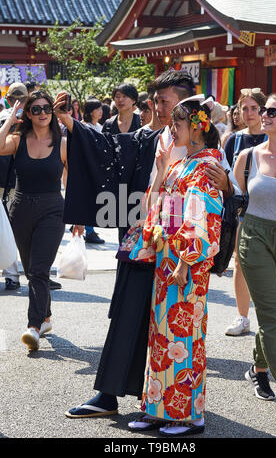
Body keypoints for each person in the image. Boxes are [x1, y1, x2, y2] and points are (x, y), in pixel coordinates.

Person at [54, 70, 238, 419]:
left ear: (188, 104)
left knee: (171, 329)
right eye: (156, 101)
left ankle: (167, 404)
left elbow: (222, 196)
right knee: (128, 316)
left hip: (177, 244)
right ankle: (111, 395)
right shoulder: (148, 137)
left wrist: (227, 187)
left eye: (165, 102)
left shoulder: (204, 149)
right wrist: (71, 123)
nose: (158, 107)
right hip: (147, 237)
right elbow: (105, 149)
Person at [128, 95, 222, 436]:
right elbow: (157, 206)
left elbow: (204, 215)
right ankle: (158, 407)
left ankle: (186, 414)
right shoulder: (183, 162)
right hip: (168, 257)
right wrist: (163, 166)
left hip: (185, 262)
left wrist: (184, 260)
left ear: (197, 127)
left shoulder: (207, 164)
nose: (172, 127)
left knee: (183, 334)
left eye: (178, 123)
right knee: (163, 335)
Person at [234, 93, 276, 409]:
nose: (264, 114)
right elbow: (233, 200)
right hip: (254, 236)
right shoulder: (247, 157)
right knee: (271, 312)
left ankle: (258, 370)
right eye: (263, 110)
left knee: (275, 315)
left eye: (271, 111)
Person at [0, 90, 68, 351]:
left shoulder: (62, 142)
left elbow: (70, 182)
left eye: (46, 108)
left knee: (39, 270)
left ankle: (33, 326)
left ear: (52, 111)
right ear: (28, 113)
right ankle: (46, 316)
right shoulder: (18, 139)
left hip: (53, 209)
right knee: (31, 271)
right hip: (21, 209)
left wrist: (78, 218)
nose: (42, 113)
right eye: (35, 109)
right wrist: (10, 120)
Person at [224, 88, 268, 336]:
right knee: (240, 262)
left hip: (271, 208)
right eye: (245, 108)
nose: (249, 113)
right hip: (242, 207)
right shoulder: (233, 140)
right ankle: (242, 316)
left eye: (254, 108)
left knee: (272, 261)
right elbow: (224, 171)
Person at [0, 82, 28, 291]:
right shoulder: (32, 121)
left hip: (13, 183)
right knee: (8, 230)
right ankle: (12, 275)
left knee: (6, 230)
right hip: (15, 183)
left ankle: (12, 275)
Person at [81, 98, 105, 244]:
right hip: (86, 168)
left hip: (97, 168)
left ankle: (81, 225)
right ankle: (89, 231)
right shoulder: (85, 127)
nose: (101, 111)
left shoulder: (99, 126)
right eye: (97, 108)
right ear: (90, 111)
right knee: (90, 200)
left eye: (101, 108)